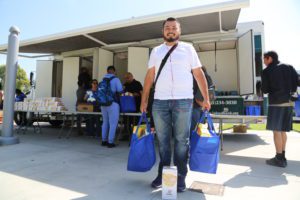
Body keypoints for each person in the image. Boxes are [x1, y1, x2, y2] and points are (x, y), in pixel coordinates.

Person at [140, 17, 211, 192]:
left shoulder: (188, 49)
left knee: (182, 141)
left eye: (173, 27)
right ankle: (163, 174)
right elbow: (150, 76)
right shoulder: (156, 51)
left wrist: (206, 98)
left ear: (179, 31)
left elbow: (198, 74)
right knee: (163, 141)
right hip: (160, 102)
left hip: (183, 101)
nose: (170, 30)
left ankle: (180, 176)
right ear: (163, 31)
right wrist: (144, 100)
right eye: (167, 27)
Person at [261, 51, 298, 168]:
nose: (263, 61)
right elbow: (296, 82)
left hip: (276, 104)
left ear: (269, 59)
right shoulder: (289, 67)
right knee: (282, 131)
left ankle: (279, 158)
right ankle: (282, 156)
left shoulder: (266, 71)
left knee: (276, 131)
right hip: (288, 103)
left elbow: (265, 90)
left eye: (264, 59)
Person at [101, 66, 123, 148]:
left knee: (105, 122)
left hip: (103, 104)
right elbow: (120, 90)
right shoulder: (116, 79)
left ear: (107, 71)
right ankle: (110, 142)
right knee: (113, 123)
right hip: (113, 103)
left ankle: (103, 141)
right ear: (114, 71)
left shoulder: (103, 79)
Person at [190, 66, 214, 132]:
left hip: (195, 105)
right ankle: (201, 141)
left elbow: (197, 97)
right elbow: (211, 93)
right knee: (202, 129)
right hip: (203, 105)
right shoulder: (208, 77)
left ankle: (194, 141)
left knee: (194, 129)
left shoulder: (194, 77)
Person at [121, 72, 143, 140]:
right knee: (126, 122)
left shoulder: (137, 83)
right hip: (127, 106)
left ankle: (137, 137)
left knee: (136, 122)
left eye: (127, 78)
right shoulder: (125, 84)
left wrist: (132, 94)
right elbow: (122, 94)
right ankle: (126, 136)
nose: (126, 79)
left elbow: (141, 93)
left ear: (131, 77)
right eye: (125, 78)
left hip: (136, 105)